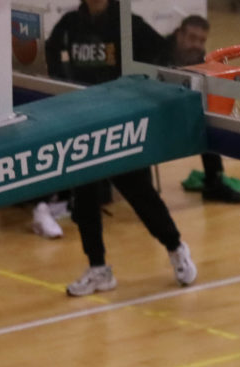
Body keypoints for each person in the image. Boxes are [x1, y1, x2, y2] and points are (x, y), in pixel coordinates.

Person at [45, 0, 196, 296]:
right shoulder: (69, 26)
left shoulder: (128, 24)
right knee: (84, 198)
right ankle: (98, 268)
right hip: (84, 124)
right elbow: (53, 59)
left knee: (140, 193)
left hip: (120, 126)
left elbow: (160, 54)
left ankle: (176, 246)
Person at [166, 13, 240, 206]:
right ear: (179, 35)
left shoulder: (201, 60)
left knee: (209, 120)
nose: (197, 45)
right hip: (152, 107)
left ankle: (214, 182)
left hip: (178, 111)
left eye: (202, 40)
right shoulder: (157, 49)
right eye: (192, 38)